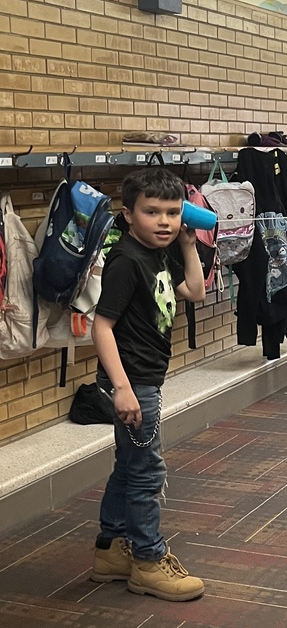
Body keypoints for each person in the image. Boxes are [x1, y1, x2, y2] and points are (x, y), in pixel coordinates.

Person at [89, 167, 207, 599]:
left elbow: (194, 290)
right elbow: (101, 327)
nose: (164, 221)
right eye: (152, 212)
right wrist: (121, 387)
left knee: (129, 467)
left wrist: (188, 244)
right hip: (133, 382)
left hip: (143, 380)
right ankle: (147, 560)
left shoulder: (157, 253)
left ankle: (111, 549)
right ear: (128, 214)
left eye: (173, 213)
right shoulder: (126, 260)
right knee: (147, 472)